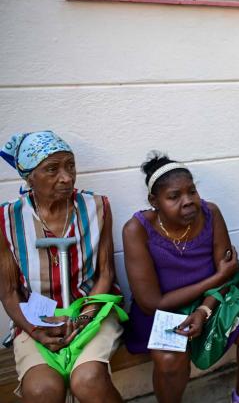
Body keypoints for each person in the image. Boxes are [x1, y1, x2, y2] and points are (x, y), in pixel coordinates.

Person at [123, 153, 239, 403]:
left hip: (212, 301)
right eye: (174, 196)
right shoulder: (136, 229)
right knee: (170, 358)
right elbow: (151, 302)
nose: (188, 201)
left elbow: (227, 275)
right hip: (164, 312)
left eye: (192, 191)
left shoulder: (210, 213)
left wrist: (204, 310)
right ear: (154, 200)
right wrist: (216, 278)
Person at [0, 131, 123, 402]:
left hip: (92, 310)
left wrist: (81, 319)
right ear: (29, 177)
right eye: (52, 169)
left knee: (88, 381)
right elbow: (8, 291)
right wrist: (36, 331)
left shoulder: (97, 206)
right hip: (35, 318)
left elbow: (106, 273)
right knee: (42, 390)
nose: (66, 177)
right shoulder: (7, 218)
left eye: (70, 165)